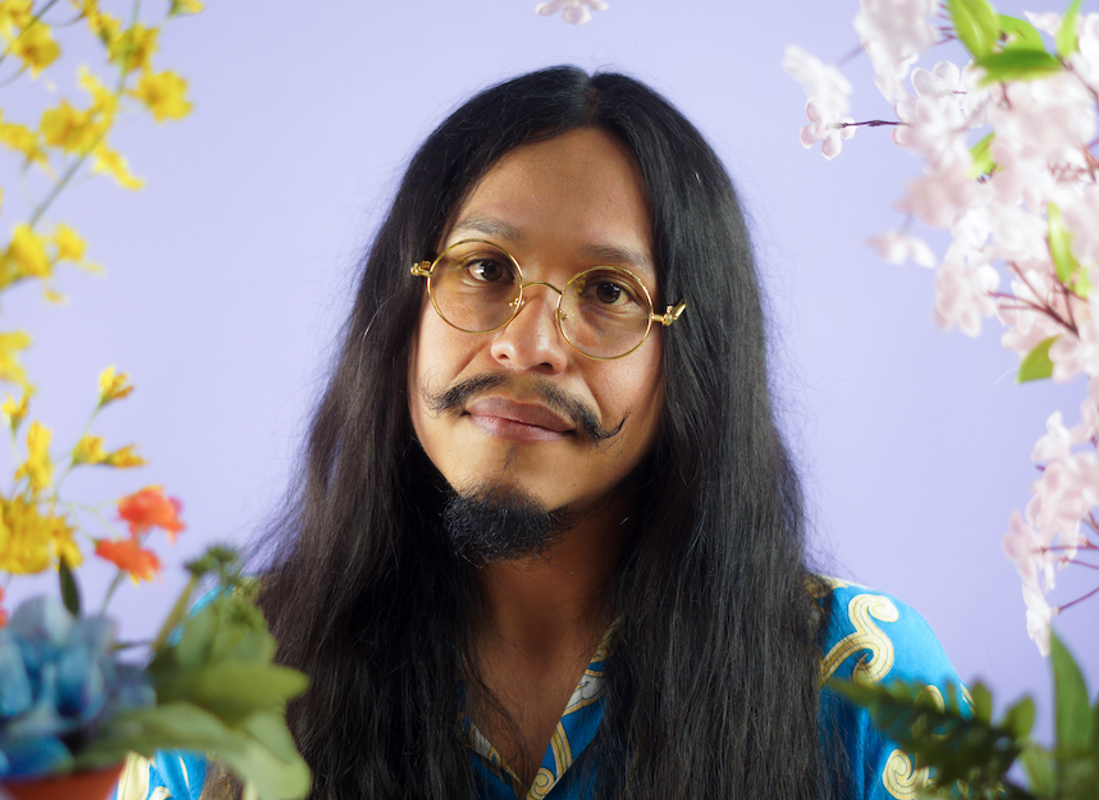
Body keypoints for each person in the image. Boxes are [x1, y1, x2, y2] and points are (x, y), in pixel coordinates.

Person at [117, 66, 961, 800]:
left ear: (697, 361)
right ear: (403, 306)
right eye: (484, 269)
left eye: (609, 292)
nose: (528, 343)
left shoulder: (862, 680)